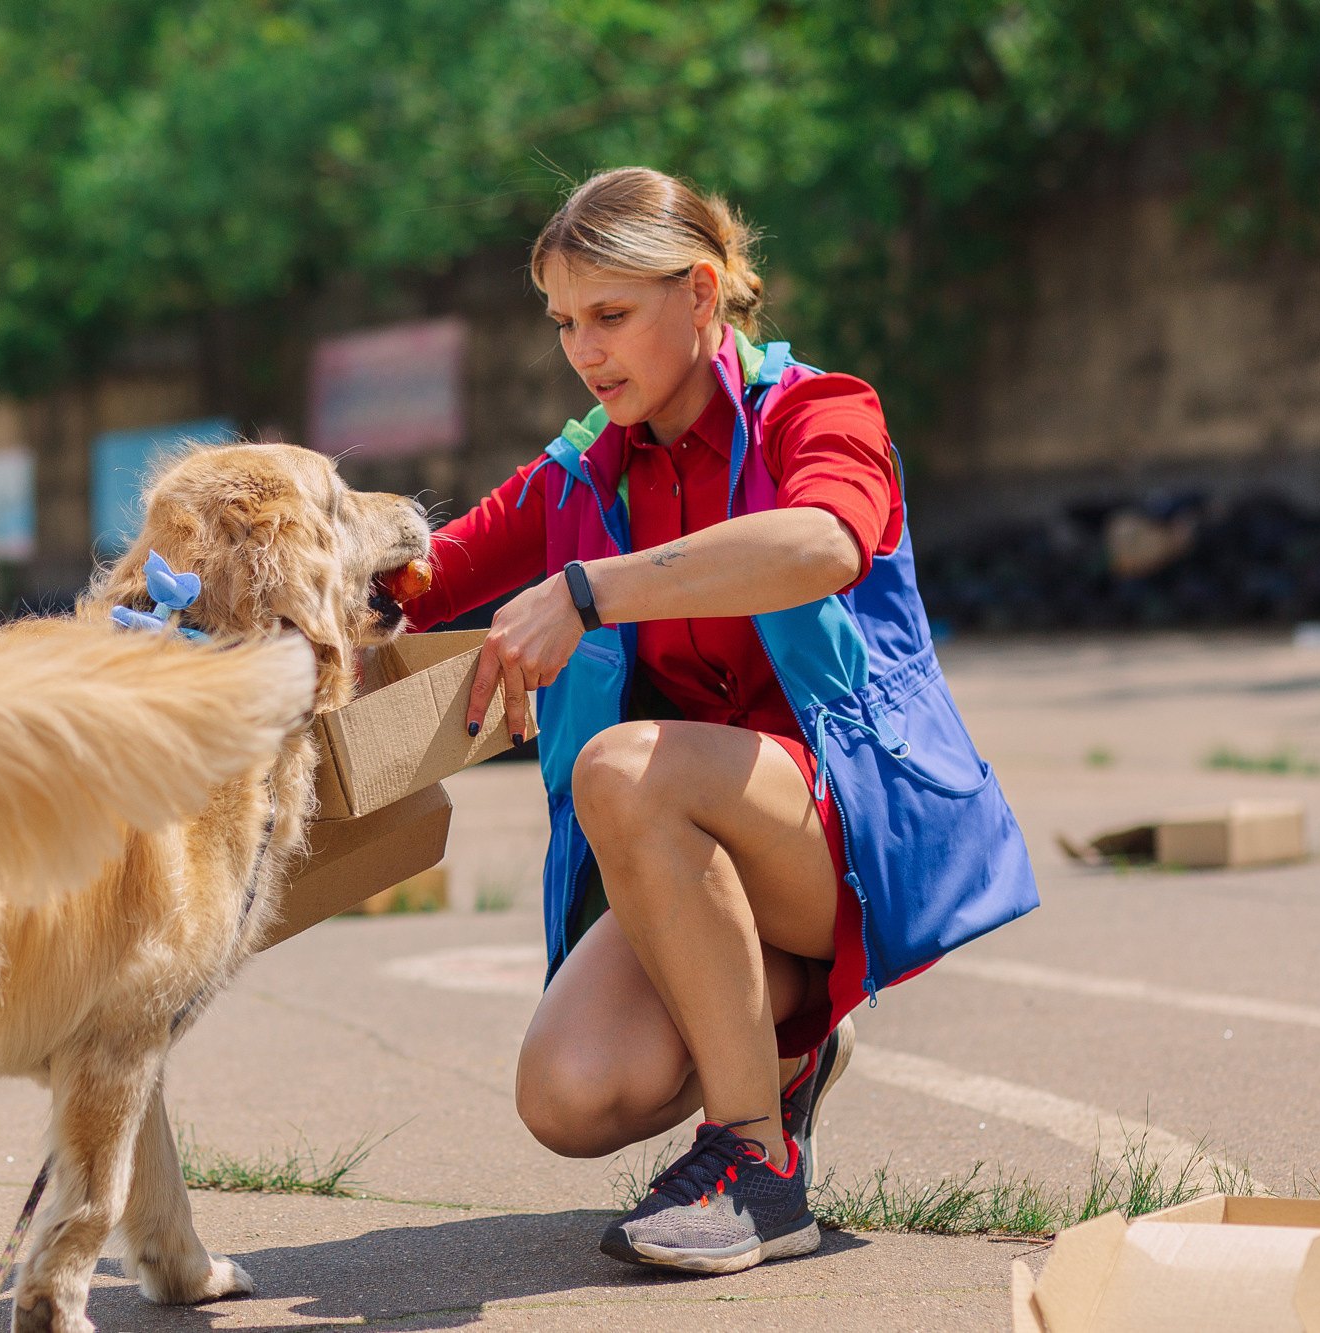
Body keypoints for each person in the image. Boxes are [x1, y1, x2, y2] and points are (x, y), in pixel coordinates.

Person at [402, 167, 1037, 1274]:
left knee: (622, 766)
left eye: (610, 314)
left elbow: (821, 542)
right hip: (705, 857)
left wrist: (590, 591)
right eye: (562, 322)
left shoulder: (818, 410)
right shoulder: (581, 474)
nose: (583, 351)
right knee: (569, 1093)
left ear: (700, 294)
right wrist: (227, 586)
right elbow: (414, 582)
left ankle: (756, 1164)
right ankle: (790, 1044)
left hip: (849, 837)